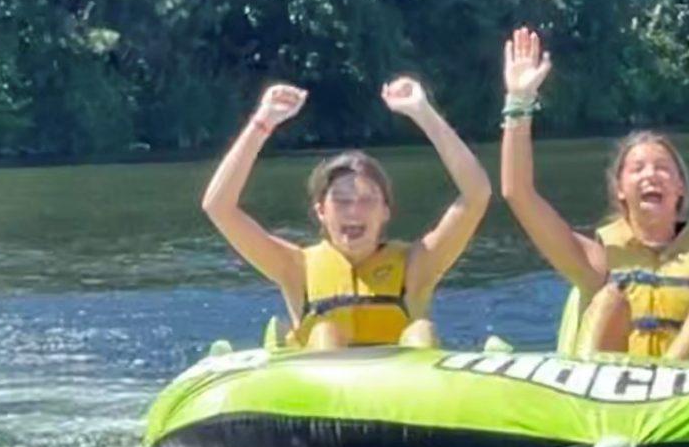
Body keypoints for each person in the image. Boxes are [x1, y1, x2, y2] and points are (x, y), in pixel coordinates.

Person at [499, 25, 689, 360]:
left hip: (685, 395)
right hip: (602, 396)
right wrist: (518, 103)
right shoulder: (596, 260)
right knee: (611, 300)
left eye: (663, 168)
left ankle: (667, 382)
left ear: (680, 188)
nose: (651, 175)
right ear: (620, 190)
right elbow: (518, 193)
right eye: (637, 169)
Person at [200, 77, 491, 349]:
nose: (354, 211)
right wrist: (262, 123)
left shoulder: (416, 266)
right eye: (341, 201)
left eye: (367, 200)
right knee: (325, 333)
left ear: (386, 211)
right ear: (321, 212)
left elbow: (477, 195)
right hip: (320, 385)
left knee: (420, 332)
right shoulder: (294, 268)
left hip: (400, 395)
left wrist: (423, 113)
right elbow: (218, 207)